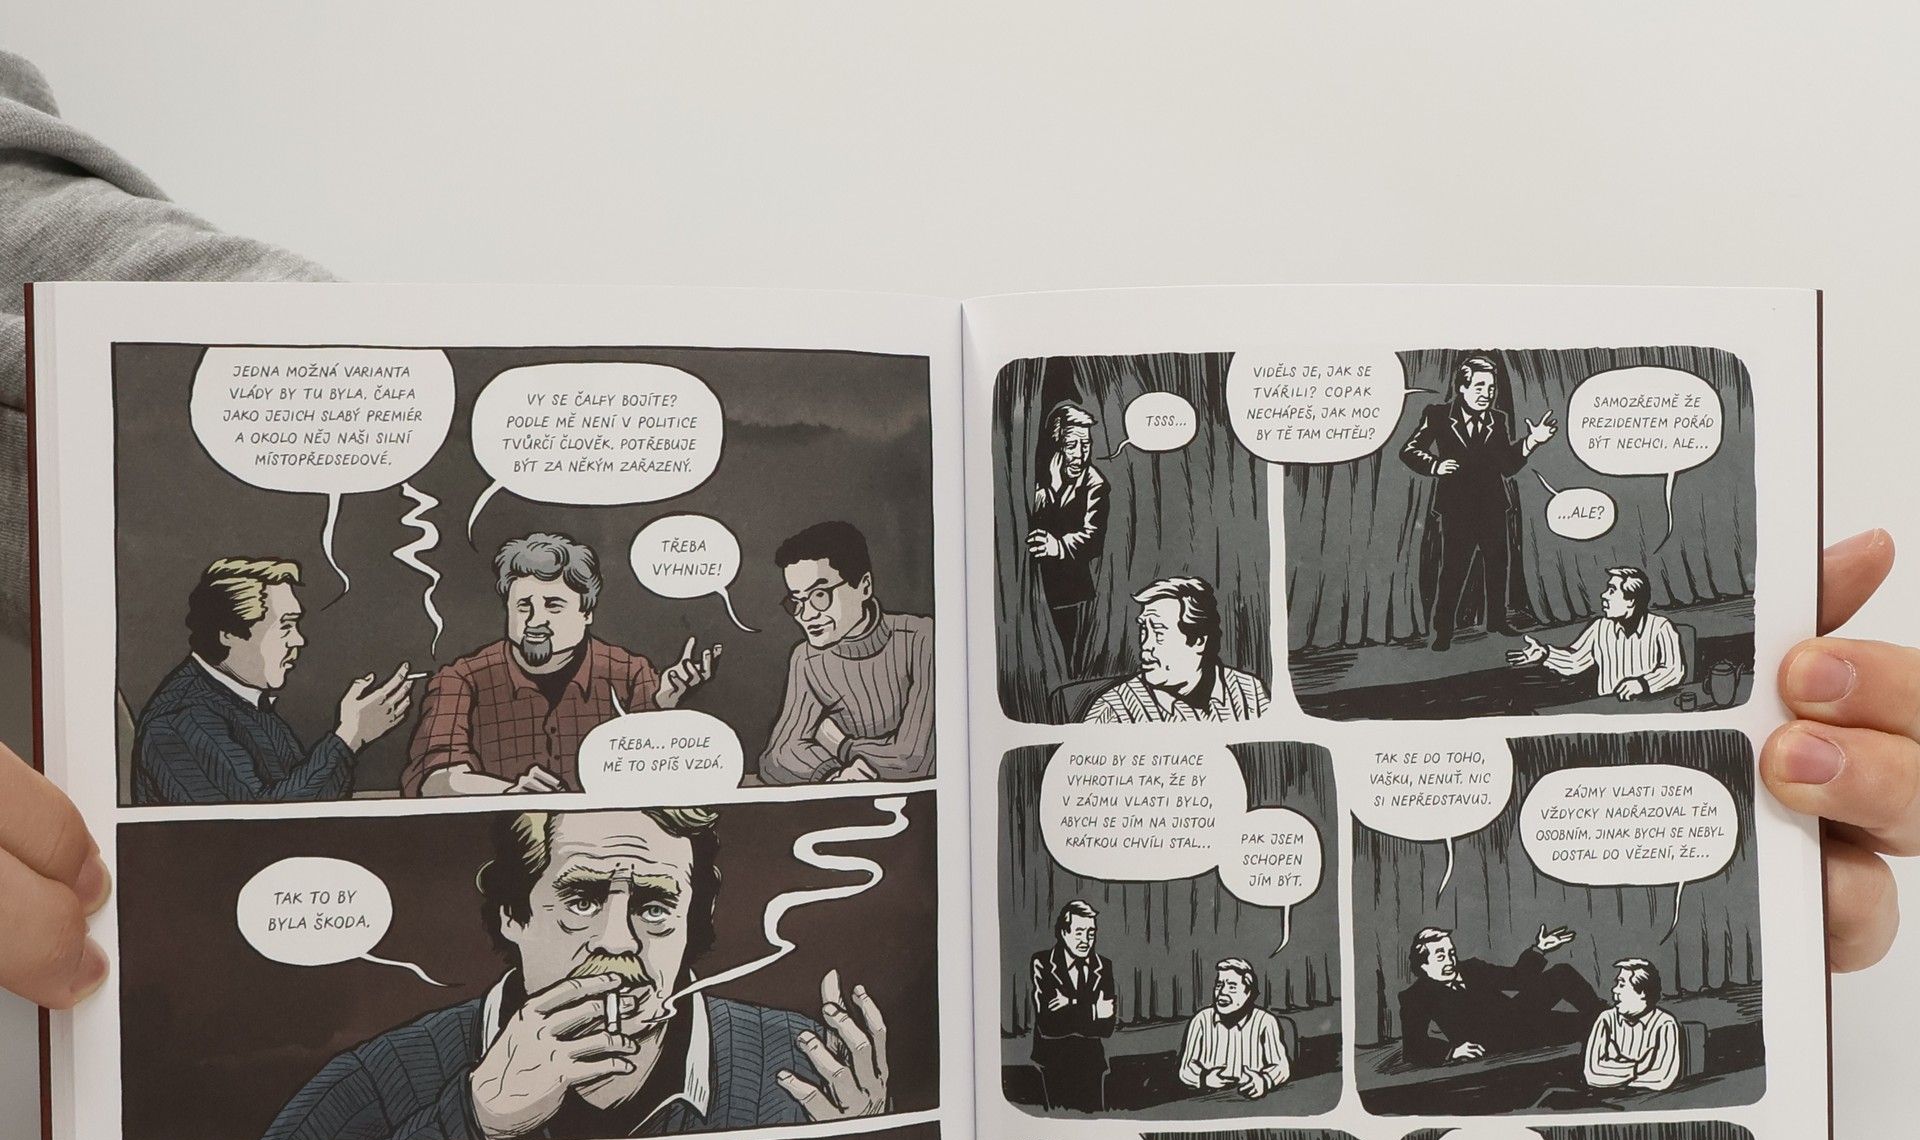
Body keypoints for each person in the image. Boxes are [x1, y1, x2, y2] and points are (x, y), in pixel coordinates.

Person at [0, 72, 1906, 1007]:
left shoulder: (790, 657)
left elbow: (50, 246)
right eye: (533, 587)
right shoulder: (473, 688)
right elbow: (718, 765)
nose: (820, 603)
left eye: (830, 585)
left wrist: (1639, 783)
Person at [250, 807, 891, 1140]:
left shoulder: (801, 1068)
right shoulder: (380, 1078)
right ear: (513, 914)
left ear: (693, 921)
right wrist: (471, 1119)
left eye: (654, 906)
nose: (619, 940)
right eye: (582, 900)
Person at [401, 532, 718, 797]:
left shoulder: (629, 673)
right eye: (523, 606)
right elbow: (435, 780)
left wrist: (662, 708)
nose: (534, 621)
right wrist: (508, 793)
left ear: (586, 613)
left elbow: (653, 775)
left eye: (553, 606)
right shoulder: (461, 679)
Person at [131, 558, 414, 803]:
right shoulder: (181, 721)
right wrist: (349, 736)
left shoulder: (245, 704)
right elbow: (266, 824)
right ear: (228, 633)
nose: (299, 640)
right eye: (286, 625)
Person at [757, 520, 935, 785]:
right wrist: (832, 773)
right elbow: (778, 756)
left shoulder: (920, 638)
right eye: (796, 601)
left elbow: (915, 760)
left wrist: (839, 745)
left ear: (864, 587)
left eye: (819, 595)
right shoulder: (807, 658)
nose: (806, 615)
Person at [1399, 353, 1556, 651]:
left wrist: (1532, 442)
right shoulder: (1438, 415)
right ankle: (1443, 631)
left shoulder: (1498, 419)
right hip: (1457, 509)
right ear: (1462, 387)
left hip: (1493, 506)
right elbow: (1409, 450)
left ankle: (1497, 621)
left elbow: (1507, 466)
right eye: (1480, 386)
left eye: (1491, 388)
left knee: (1498, 565)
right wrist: (1435, 465)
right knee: (1454, 570)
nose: (1487, 394)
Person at [1398, 925, 1605, 1068]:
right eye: (1441, 956)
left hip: (1516, 1015)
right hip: (1495, 1040)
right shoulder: (1415, 996)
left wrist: (1539, 949)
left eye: (1451, 953)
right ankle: (1609, 1023)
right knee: (1586, 1025)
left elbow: (1516, 978)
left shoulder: (1471, 968)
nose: (1450, 961)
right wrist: (1452, 1052)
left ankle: (1608, 1016)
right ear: (1423, 963)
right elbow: (1413, 1047)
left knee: (1561, 973)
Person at [1083, 576, 1268, 723]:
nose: (1145, 645)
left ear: (1198, 641)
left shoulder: (1250, 693)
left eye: (1159, 632)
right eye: (1144, 630)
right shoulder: (1113, 711)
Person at [1509, 566, 1686, 700]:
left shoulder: (1660, 627)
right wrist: (1545, 654)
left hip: (1648, 705)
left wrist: (1642, 684)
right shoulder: (1600, 627)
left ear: (1631, 600)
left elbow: (1674, 670)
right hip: (1609, 707)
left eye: (1612, 590)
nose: (1604, 595)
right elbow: (1575, 661)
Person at [1025, 400, 1109, 673]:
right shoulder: (1039, 479)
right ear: (1057, 446)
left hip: (1074, 593)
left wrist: (1057, 546)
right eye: (1072, 445)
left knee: (1070, 661)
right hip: (1037, 587)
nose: (1081, 454)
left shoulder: (1096, 484)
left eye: (1086, 444)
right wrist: (1051, 488)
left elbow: (1093, 538)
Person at [1028, 900, 1117, 1112]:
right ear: (1063, 932)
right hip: (1054, 1062)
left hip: (1092, 1063)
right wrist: (1093, 1010)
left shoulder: (1103, 966)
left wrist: (1069, 1004)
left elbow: (1106, 1027)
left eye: (1091, 933)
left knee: (1093, 1123)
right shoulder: (1043, 963)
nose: (1086, 940)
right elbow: (1048, 1025)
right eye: (1079, 932)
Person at [1177, 957, 1292, 1099]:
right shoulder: (1201, 1019)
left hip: (1250, 1099)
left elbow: (1281, 1067)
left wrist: (1264, 1081)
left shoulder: (1265, 1021)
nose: (1222, 992)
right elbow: (1186, 1069)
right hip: (1209, 1098)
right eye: (1219, 985)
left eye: (1232, 987)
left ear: (1248, 992)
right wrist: (1205, 1078)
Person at [1582, 957, 1682, 1095]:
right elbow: (1592, 1074)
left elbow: (1662, 1078)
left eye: (1622, 984)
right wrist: (1638, 1068)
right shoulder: (1606, 1019)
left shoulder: (1665, 1023)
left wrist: (1613, 1071)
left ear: (1642, 992)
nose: (1614, 990)